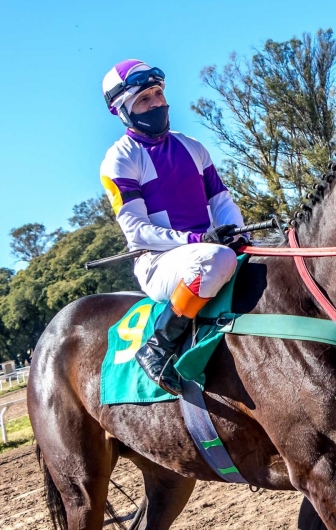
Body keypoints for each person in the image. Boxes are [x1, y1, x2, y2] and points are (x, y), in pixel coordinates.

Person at [100, 60, 247, 396]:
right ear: (122, 110)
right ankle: (158, 346)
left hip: (208, 248)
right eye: (144, 100)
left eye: (158, 94)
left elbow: (222, 202)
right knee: (216, 260)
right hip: (159, 262)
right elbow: (137, 230)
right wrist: (197, 239)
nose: (156, 104)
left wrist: (234, 232)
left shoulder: (192, 146)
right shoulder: (119, 159)